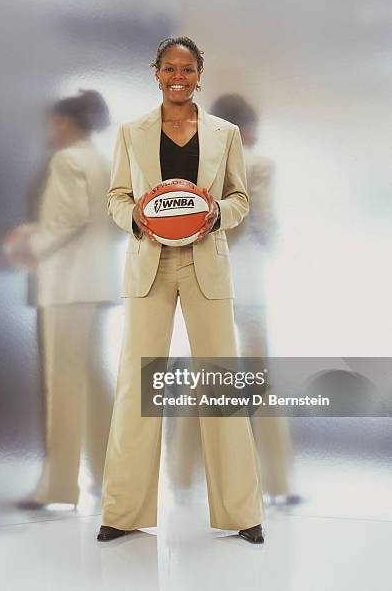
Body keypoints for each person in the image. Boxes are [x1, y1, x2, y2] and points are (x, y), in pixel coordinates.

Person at [97, 37, 265, 544]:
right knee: (136, 386)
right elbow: (116, 197)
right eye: (169, 68)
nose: (178, 76)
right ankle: (121, 513)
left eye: (187, 69)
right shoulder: (131, 132)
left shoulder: (225, 133)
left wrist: (217, 213)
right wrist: (137, 219)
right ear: (156, 73)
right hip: (149, 265)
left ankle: (243, 514)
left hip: (205, 266)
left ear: (198, 74)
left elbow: (239, 197)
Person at [4, 90, 122, 507]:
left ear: (67, 123)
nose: (51, 131)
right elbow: (118, 224)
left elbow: (65, 220)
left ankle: (59, 485)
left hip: (68, 286)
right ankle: (114, 477)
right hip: (97, 284)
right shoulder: (106, 163)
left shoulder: (67, 160)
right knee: (93, 381)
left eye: (54, 123)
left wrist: (26, 245)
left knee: (65, 385)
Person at [210, 94, 300, 505]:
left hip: (209, 281)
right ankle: (278, 481)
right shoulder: (257, 163)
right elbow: (262, 218)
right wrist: (280, 249)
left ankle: (187, 474)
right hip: (247, 283)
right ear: (245, 128)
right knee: (260, 381)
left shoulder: (202, 164)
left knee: (210, 377)